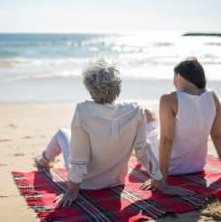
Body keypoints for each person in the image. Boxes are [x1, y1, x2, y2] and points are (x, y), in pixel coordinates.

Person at [35, 59, 188, 207]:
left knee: (62, 133)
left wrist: (72, 191)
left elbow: (79, 159)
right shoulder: (136, 111)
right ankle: (43, 159)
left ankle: (43, 160)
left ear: (89, 88)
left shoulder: (83, 111)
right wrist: (161, 183)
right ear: (118, 86)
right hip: (116, 180)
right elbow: (143, 151)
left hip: (86, 184)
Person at [142, 57, 221, 190]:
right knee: (154, 123)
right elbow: (217, 135)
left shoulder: (169, 99)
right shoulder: (212, 96)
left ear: (178, 76)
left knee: (146, 113)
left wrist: (161, 177)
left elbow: (167, 139)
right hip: (197, 165)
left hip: (171, 166)